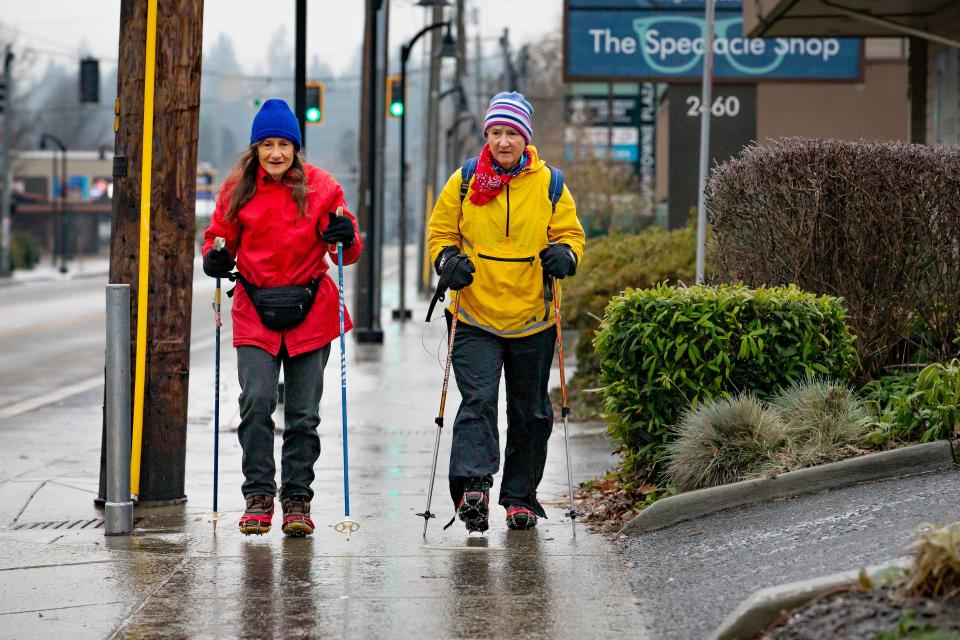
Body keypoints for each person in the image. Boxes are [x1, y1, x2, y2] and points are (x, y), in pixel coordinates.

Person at [201, 98, 362, 537]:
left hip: (312, 311)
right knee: (256, 402)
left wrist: (346, 236)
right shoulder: (237, 189)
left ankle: (297, 499)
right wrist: (214, 257)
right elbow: (219, 240)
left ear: (296, 147)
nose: (276, 153)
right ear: (255, 149)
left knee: (303, 415)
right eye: (267, 144)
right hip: (255, 309)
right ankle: (258, 495)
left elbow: (344, 249)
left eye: (284, 144)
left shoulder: (322, 187)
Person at [427, 91, 585, 532]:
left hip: (532, 318)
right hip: (475, 314)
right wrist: (447, 262)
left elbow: (571, 234)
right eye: (495, 132)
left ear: (525, 138)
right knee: (477, 402)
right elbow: (440, 233)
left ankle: (520, 498)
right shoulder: (463, 181)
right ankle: (474, 489)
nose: (502, 141)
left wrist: (566, 257)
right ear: (487, 136)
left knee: (531, 411)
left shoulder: (551, 183)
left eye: (511, 132)